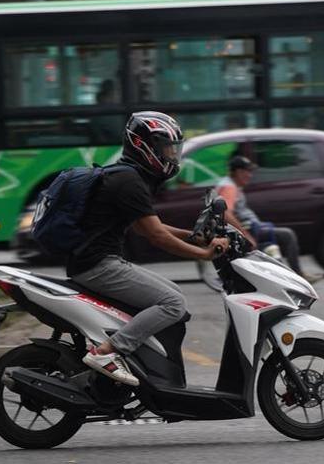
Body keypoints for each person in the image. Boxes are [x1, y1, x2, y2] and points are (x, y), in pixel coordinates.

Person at [71, 111, 229, 386]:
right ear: (145, 146)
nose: (171, 154)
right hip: (98, 265)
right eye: (166, 147)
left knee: (175, 295)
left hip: (100, 262)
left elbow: (148, 227)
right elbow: (157, 237)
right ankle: (107, 352)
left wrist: (195, 238)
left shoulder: (128, 176)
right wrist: (204, 255)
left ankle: (144, 367)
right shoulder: (128, 182)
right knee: (173, 303)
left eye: (172, 148)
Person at [216, 155, 319, 282]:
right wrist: (246, 235)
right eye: (248, 171)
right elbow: (225, 213)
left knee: (274, 237)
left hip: (250, 226)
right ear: (238, 172)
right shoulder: (229, 188)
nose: (250, 175)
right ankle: (298, 275)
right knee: (288, 235)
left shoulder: (229, 184)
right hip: (247, 229)